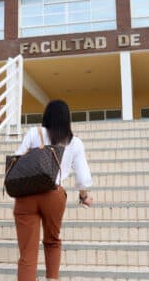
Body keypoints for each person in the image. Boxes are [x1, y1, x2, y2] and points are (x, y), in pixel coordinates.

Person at [13, 100, 93, 281]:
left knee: (27, 251)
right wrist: (84, 196)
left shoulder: (34, 133)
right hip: (54, 195)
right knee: (52, 241)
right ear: (67, 119)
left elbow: (17, 159)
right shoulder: (74, 142)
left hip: (26, 195)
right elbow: (83, 177)